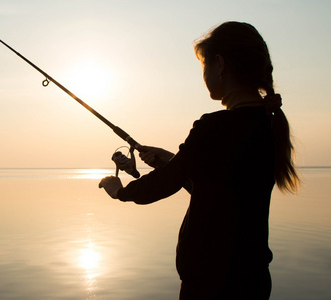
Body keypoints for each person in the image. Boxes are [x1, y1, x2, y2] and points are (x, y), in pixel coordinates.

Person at [99, 21, 300, 300]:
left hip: (210, 282)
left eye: (204, 66)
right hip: (252, 279)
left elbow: (164, 185)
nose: (204, 74)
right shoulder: (268, 125)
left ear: (219, 64)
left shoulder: (213, 127)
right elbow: (217, 191)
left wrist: (119, 191)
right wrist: (169, 159)